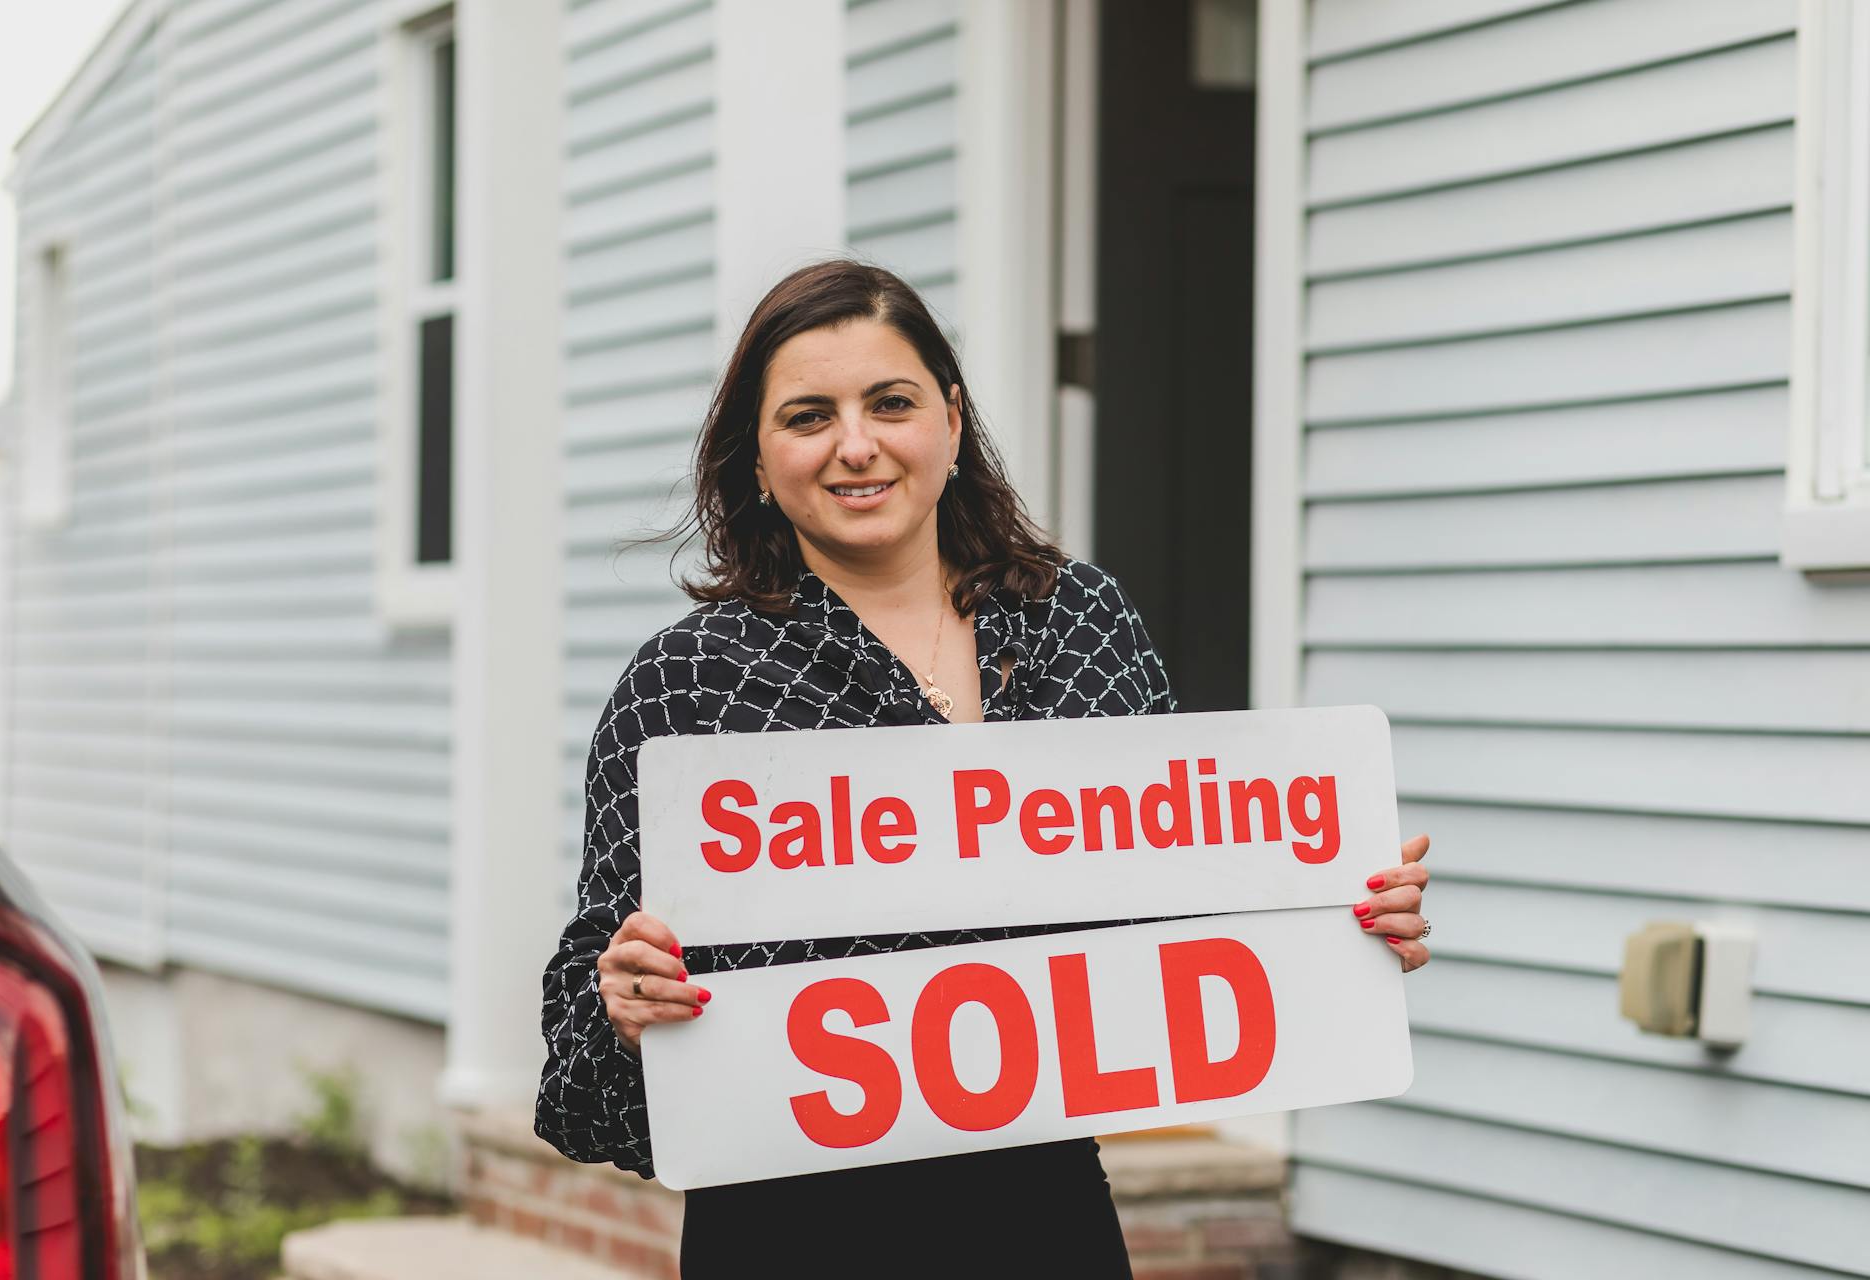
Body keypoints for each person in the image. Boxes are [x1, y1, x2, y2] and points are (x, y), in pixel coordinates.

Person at [535, 258, 1432, 1277]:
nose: (856, 444)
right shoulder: (686, 686)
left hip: (1041, 1217)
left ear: (951, 423)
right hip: (786, 1232)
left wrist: (1341, 926)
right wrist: (621, 1006)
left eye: (891, 402)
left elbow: (1195, 899)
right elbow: (576, 1078)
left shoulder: (1082, 625)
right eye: (808, 416)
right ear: (756, 458)